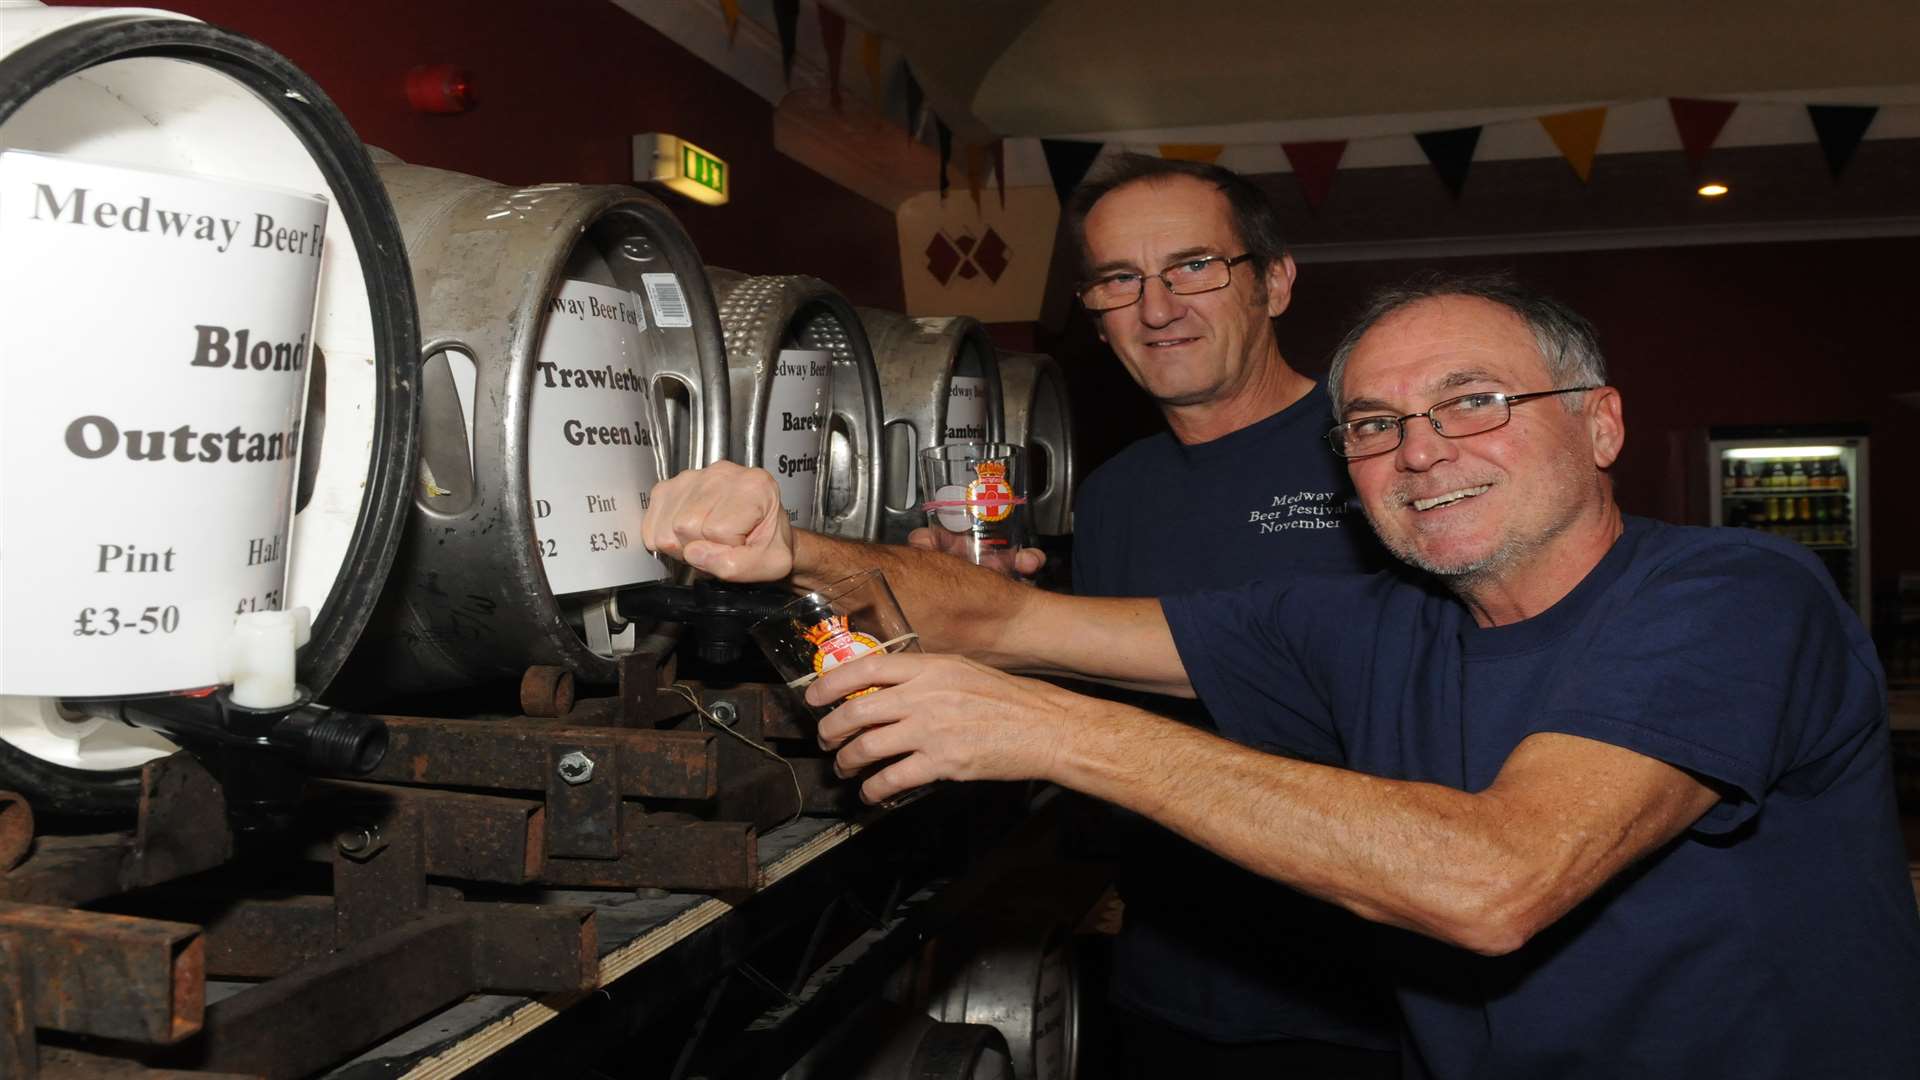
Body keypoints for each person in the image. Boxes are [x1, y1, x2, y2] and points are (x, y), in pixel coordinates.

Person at [641, 273, 1920, 1079]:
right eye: (1374, 426)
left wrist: (1064, 736)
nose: (1420, 451)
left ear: (1599, 423)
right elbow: (1012, 621)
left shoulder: (1731, 599)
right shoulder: (1366, 624)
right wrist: (791, 549)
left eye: (1473, 403)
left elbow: (1496, 880)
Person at [1023, 153, 1398, 1076]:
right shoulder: (1112, 495)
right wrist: (993, 614)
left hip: (1370, 1005)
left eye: (1195, 266)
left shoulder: (1386, 459)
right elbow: (1109, 704)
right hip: (1167, 991)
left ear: (1274, 282)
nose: (1157, 308)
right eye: (1119, 279)